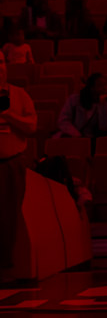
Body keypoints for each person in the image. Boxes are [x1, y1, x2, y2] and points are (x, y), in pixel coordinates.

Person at [0, 51, 37, 278]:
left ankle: (6, 265)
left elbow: (31, 127)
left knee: (8, 217)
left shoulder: (20, 94)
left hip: (11, 164)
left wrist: (8, 114)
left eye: (1, 61)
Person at [56, 73, 107, 139]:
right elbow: (63, 121)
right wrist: (78, 136)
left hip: (96, 139)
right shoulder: (74, 100)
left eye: (105, 85)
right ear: (92, 88)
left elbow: (105, 127)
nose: (104, 88)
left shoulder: (105, 103)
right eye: (100, 85)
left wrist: (104, 105)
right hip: (75, 138)